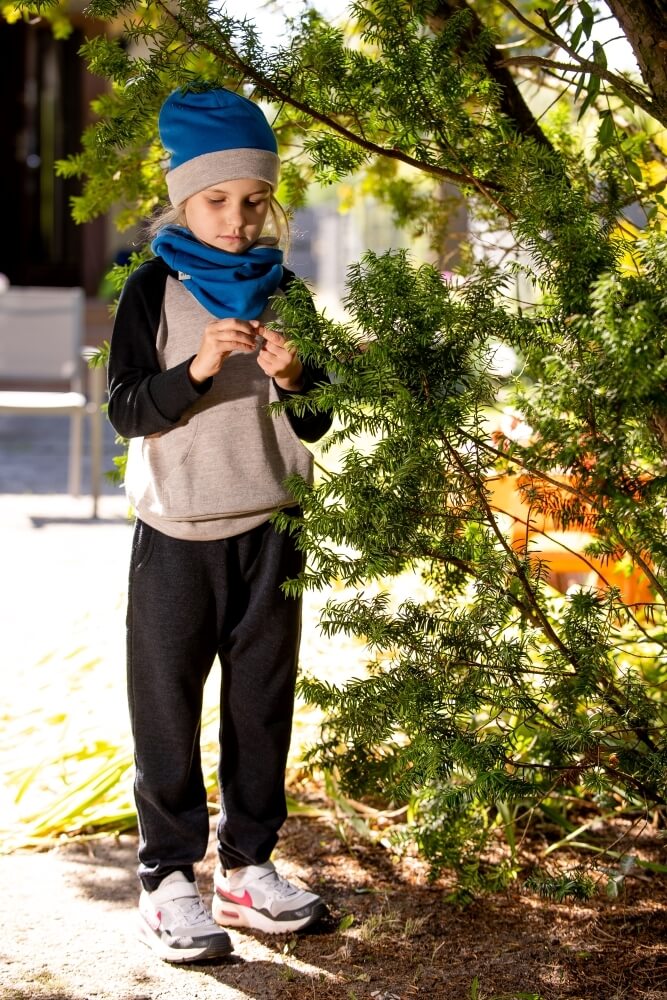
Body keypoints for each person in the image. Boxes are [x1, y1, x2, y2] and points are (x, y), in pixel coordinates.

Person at [107, 85, 332, 963]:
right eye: (214, 200)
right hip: (176, 536)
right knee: (165, 706)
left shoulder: (288, 291)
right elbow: (127, 410)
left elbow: (318, 421)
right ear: (180, 195)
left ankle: (246, 868)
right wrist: (198, 367)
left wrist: (295, 377)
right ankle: (166, 879)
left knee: (260, 705)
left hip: (274, 527)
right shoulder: (151, 290)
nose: (236, 220)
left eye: (251, 200)